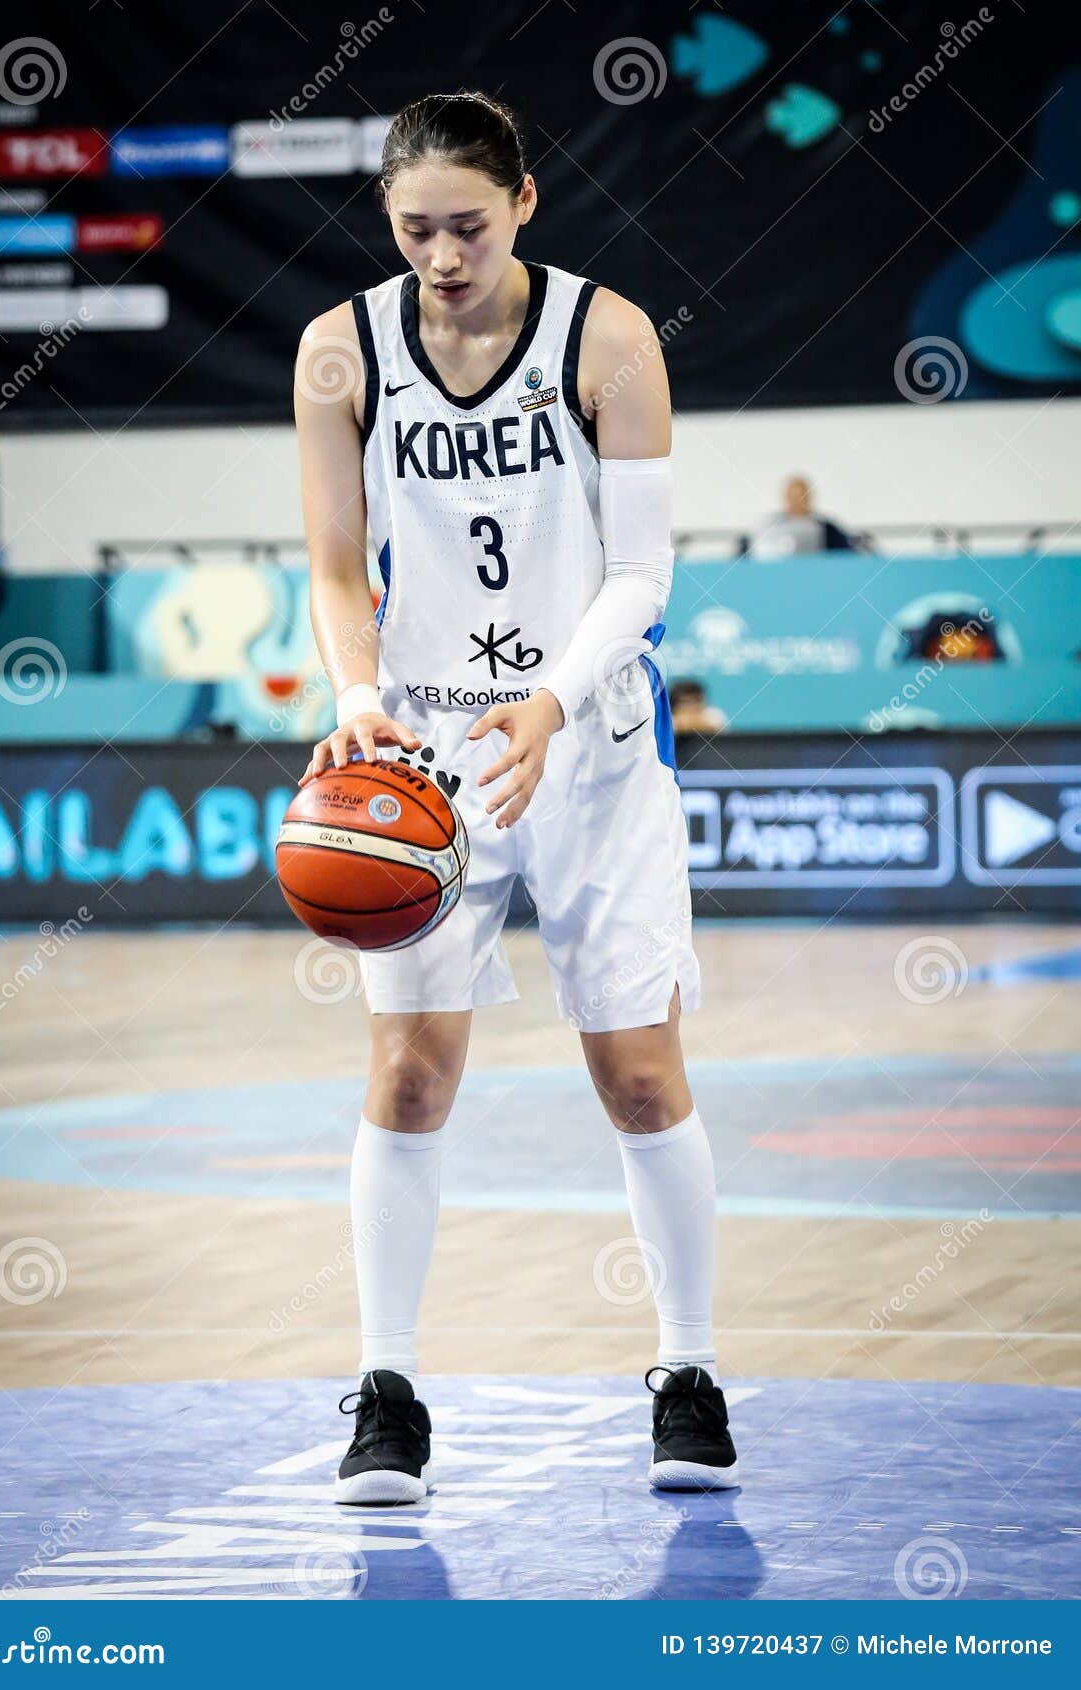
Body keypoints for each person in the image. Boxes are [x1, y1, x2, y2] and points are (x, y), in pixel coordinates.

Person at [294, 91, 737, 1506]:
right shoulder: (336, 350)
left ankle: (686, 1366)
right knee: (411, 1071)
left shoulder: (609, 337)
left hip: (591, 739)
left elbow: (643, 574)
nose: (440, 252)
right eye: (413, 227)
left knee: (641, 1070)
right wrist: (358, 706)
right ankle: (386, 1392)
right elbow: (329, 564)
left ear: (527, 204)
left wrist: (546, 705)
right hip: (423, 756)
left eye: (468, 225)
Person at [750, 474, 855, 559]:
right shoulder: (770, 527)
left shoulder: (827, 529)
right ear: (786, 498)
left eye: (802, 497)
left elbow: (846, 555)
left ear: (809, 498)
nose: (797, 502)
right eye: (793, 497)